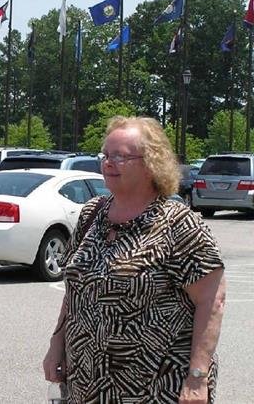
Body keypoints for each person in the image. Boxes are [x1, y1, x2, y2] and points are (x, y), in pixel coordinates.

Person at [43, 116, 226, 404]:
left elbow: (212, 301)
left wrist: (197, 377)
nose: (107, 163)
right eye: (105, 155)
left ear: (151, 163)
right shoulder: (92, 213)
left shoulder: (179, 223)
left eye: (119, 156)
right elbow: (75, 290)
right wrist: (56, 344)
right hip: (87, 380)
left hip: (156, 386)